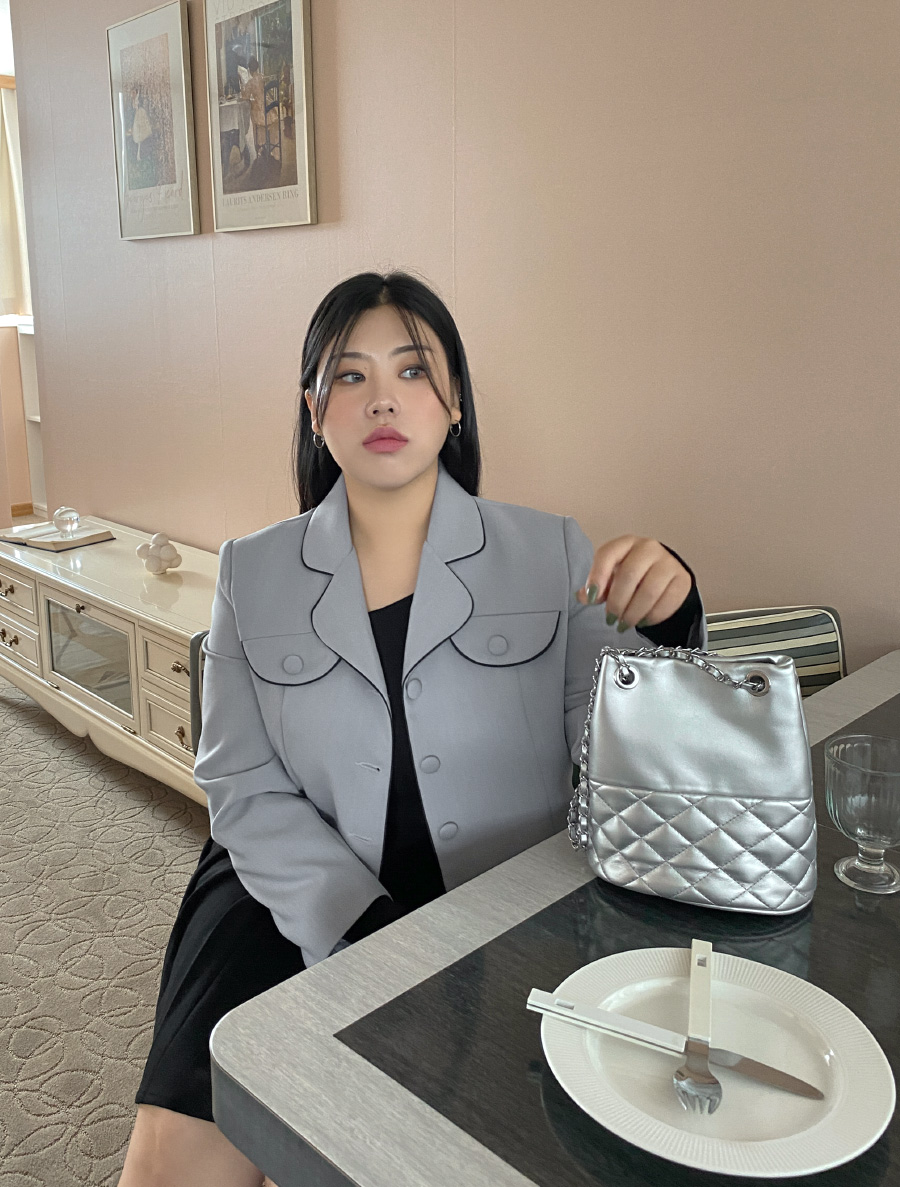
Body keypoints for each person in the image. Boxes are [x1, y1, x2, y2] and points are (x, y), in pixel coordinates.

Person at [116, 271, 706, 1186]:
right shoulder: (250, 570)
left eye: (413, 369)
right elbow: (240, 785)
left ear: (455, 402)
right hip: (290, 881)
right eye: (349, 375)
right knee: (180, 1149)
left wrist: (671, 622)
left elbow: (633, 768)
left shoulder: (551, 551)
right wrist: (359, 924)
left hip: (490, 890)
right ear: (315, 411)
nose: (382, 398)